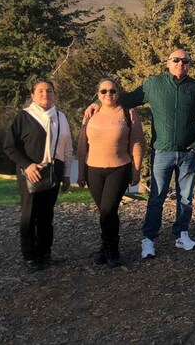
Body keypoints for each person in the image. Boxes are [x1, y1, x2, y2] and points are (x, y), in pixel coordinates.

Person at [86, 48, 195, 259]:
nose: (180, 64)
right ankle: (149, 239)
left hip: (188, 152)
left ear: (189, 65)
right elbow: (127, 99)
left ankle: (182, 233)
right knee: (156, 197)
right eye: (176, 60)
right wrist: (99, 102)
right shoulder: (154, 84)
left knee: (186, 198)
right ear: (168, 62)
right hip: (162, 151)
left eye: (185, 61)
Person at [3, 78, 73, 271]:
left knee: (46, 215)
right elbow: (10, 146)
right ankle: (29, 255)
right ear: (33, 95)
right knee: (30, 214)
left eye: (49, 90)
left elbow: (67, 148)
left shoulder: (60, 117)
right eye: (40, 91)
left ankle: (45, 252)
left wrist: (67, 174)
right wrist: (27, 165)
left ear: (54, 94)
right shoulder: (24, 117)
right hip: (31, 173)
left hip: (53, 172)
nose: (45, 94)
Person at [77, 78, 145, 267]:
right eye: (104, 91)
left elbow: (137, 144)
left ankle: (112, 249)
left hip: (119, 168)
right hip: (93, 170)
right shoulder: (90, 113)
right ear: (98, 94)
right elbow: (82, 145)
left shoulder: (128, 114)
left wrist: (136, 171)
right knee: (105, 212)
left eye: (113, 91)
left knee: (108, 210)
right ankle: (105, 247)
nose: (109, 94)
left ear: (118, 93)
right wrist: (81, 172)